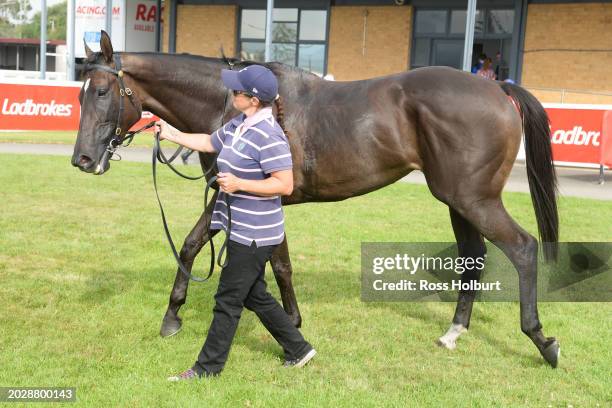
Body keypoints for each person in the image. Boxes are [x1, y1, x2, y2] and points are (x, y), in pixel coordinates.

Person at [156, 64, 316, 381]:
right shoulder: (240, 124)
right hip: (240, 227)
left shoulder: (269, 136)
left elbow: (284, 185)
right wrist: (170, 132)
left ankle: (206, 369)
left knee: (227, 300)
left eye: (237, 90)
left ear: (253, 99)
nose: (232, 92)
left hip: (256, 235)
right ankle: (298, 348)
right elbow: (208, 142)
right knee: (254, 294)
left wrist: (240, 184)